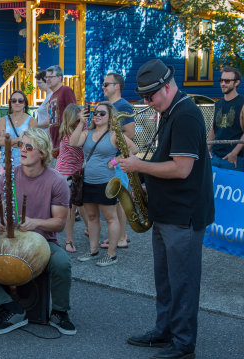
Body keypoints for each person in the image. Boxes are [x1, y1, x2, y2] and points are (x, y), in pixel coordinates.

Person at [119, 59, 214, 359]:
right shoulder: (170, 110)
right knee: (166, 279)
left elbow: (182, 169)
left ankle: (183, 345)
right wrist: (147, 185)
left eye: (151, 96)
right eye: (144, 97)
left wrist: (137, 166)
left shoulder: (185, 115)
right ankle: (164, 331)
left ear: (168, 86)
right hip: (166, 212)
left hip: (182, 216)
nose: (147, 103)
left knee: (182, 282)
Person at [0, 128, 76, 336]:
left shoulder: (57, 181)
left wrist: (35, 223)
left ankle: (60, 312)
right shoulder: (8, 176)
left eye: (29, 147)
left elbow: (59, 223)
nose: (22, 150)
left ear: (42, 153)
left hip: (41, 241)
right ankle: (9, 308)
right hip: (8, 239)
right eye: (20, 145)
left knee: (62, 263)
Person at [70, 101, 137, 266]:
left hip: (106, 183)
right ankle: (93, 250)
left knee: (110, 218)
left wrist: (114, 161)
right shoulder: (87, 132)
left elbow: (133, 149)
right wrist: (81, 122)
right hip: (87, 182)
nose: (97, 116)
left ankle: (111, 254)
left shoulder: (114, 134)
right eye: (95, 113)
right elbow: (73, 142)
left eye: (102, 113)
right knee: (92, 217)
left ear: (110, 117)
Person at [102, 72, 135, 249]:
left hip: (118, 160)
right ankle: (117, 235)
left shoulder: (124, 106)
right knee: (112, 200)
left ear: (117, 86)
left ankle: (122, 236)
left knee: (120, 199)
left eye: (106, 84)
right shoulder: (107, 106)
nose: (103, 87)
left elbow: (130, 134)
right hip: (108, 159)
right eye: (103, 84)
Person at [55, 104, 88, 252]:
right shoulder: (70, 135)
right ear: (71, 120)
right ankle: (69, 240)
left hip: (77, 172)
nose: (81, 122)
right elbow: (80, 145)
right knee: (71, 208)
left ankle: (89, 229)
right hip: (66, 174)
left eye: (82, 119)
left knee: (82, 205)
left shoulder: (80, 129)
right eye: (78, 120)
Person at [207, 65, 244, 171]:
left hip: (234, 160)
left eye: (227, 81)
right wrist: (207, 151)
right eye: (221, 80)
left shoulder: (242, 103)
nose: (223, 84)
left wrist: (234, 153)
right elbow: (213, 130)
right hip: (214, 157)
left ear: (236, 82)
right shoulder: (217, 104)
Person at [0, 90, 37, 174]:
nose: (17, 103)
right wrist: (19, 139)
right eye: (14, 100)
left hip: (25, 162)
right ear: (10, 103)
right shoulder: (3, 120)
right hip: (6, 162)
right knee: (6, 186)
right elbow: (0, 142)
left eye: (20, 101)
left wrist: (8, 141)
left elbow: (31, 142)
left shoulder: (31, 121)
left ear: (24, 103)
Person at [46, 65, 76, 151]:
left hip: (65, 143)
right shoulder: (52, 96)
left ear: (59, 78)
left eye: (51, 77)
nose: (48, 79)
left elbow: (73, 113)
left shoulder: (66, 90)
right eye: (46, 77)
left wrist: (67, 137)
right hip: (53, 143)